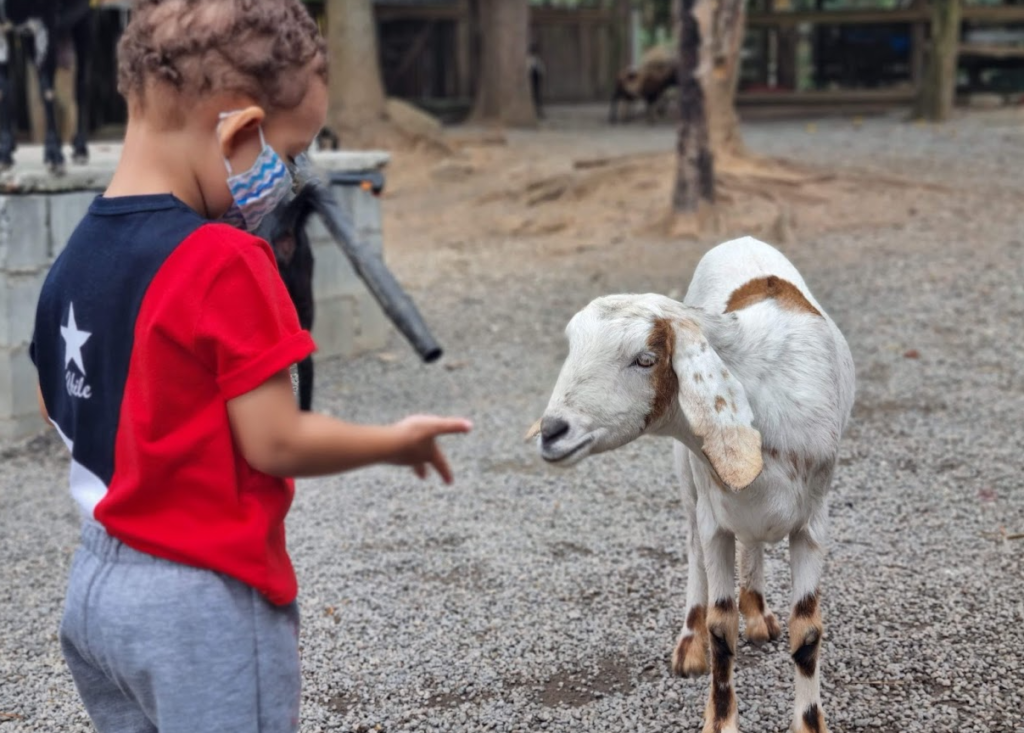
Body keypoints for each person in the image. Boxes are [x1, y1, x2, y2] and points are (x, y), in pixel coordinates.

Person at [28, 1, 472, 731]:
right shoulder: (226, 259)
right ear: (238, 131)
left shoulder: (74, 256)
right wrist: (393, 441)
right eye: (288, 153)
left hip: (94, 595)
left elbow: (57, 404)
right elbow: (274, 440)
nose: (286, 178)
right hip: (201, 605)